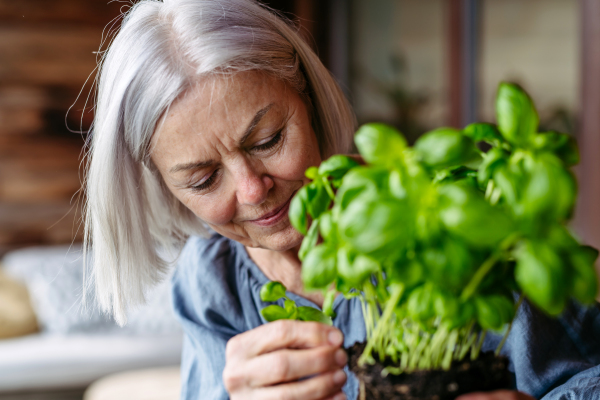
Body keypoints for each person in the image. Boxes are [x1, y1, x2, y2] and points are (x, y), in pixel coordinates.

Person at [84, 1, 600, 399]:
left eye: (267, 142)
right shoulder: (210, 279)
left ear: (307, 96)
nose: (251, 190)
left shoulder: (454, 232)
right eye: (202, 179)